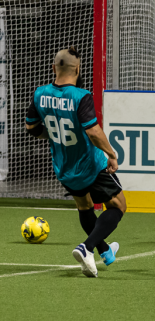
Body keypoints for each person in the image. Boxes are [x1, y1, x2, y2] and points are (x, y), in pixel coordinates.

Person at [25, 47, 126, 278]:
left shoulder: (39, 94)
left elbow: (31, 128)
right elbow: (92, 131)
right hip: (90, 165)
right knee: (118, 206)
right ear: (78, 70)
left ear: (53, 68)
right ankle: (87, 247)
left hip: (64, 168)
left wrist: (52, 133)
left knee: (85, 206)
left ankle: (105, 251)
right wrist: (111, 153)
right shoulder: (81, 96)